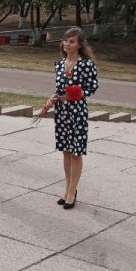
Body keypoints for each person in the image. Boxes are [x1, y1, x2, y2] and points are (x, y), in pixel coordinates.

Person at [40, 26, 98, 209]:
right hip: (62, 112)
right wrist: (52, 99)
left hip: (77, 112)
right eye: (65, 40)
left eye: (72, 41)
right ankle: (67, 188)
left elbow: (92, 88)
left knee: (76, 152)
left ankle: (73, 191)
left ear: (80, 44)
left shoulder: (86, 65)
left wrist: (74, 94)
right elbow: (59, 90)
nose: (67, 44)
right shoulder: (59, 64)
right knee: (65, 150)